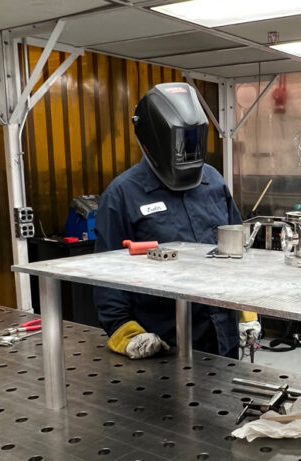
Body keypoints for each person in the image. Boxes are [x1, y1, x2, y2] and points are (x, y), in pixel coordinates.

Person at [93, 82, 259, 360]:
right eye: (181, 142)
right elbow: (105, 276)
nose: (188, 151)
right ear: (155, 138)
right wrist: (126, 332)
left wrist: (246, 311)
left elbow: (237, 252)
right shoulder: (122, 195)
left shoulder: (213, 181)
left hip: (222, 337)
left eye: (194, 141)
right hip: (162, 346)